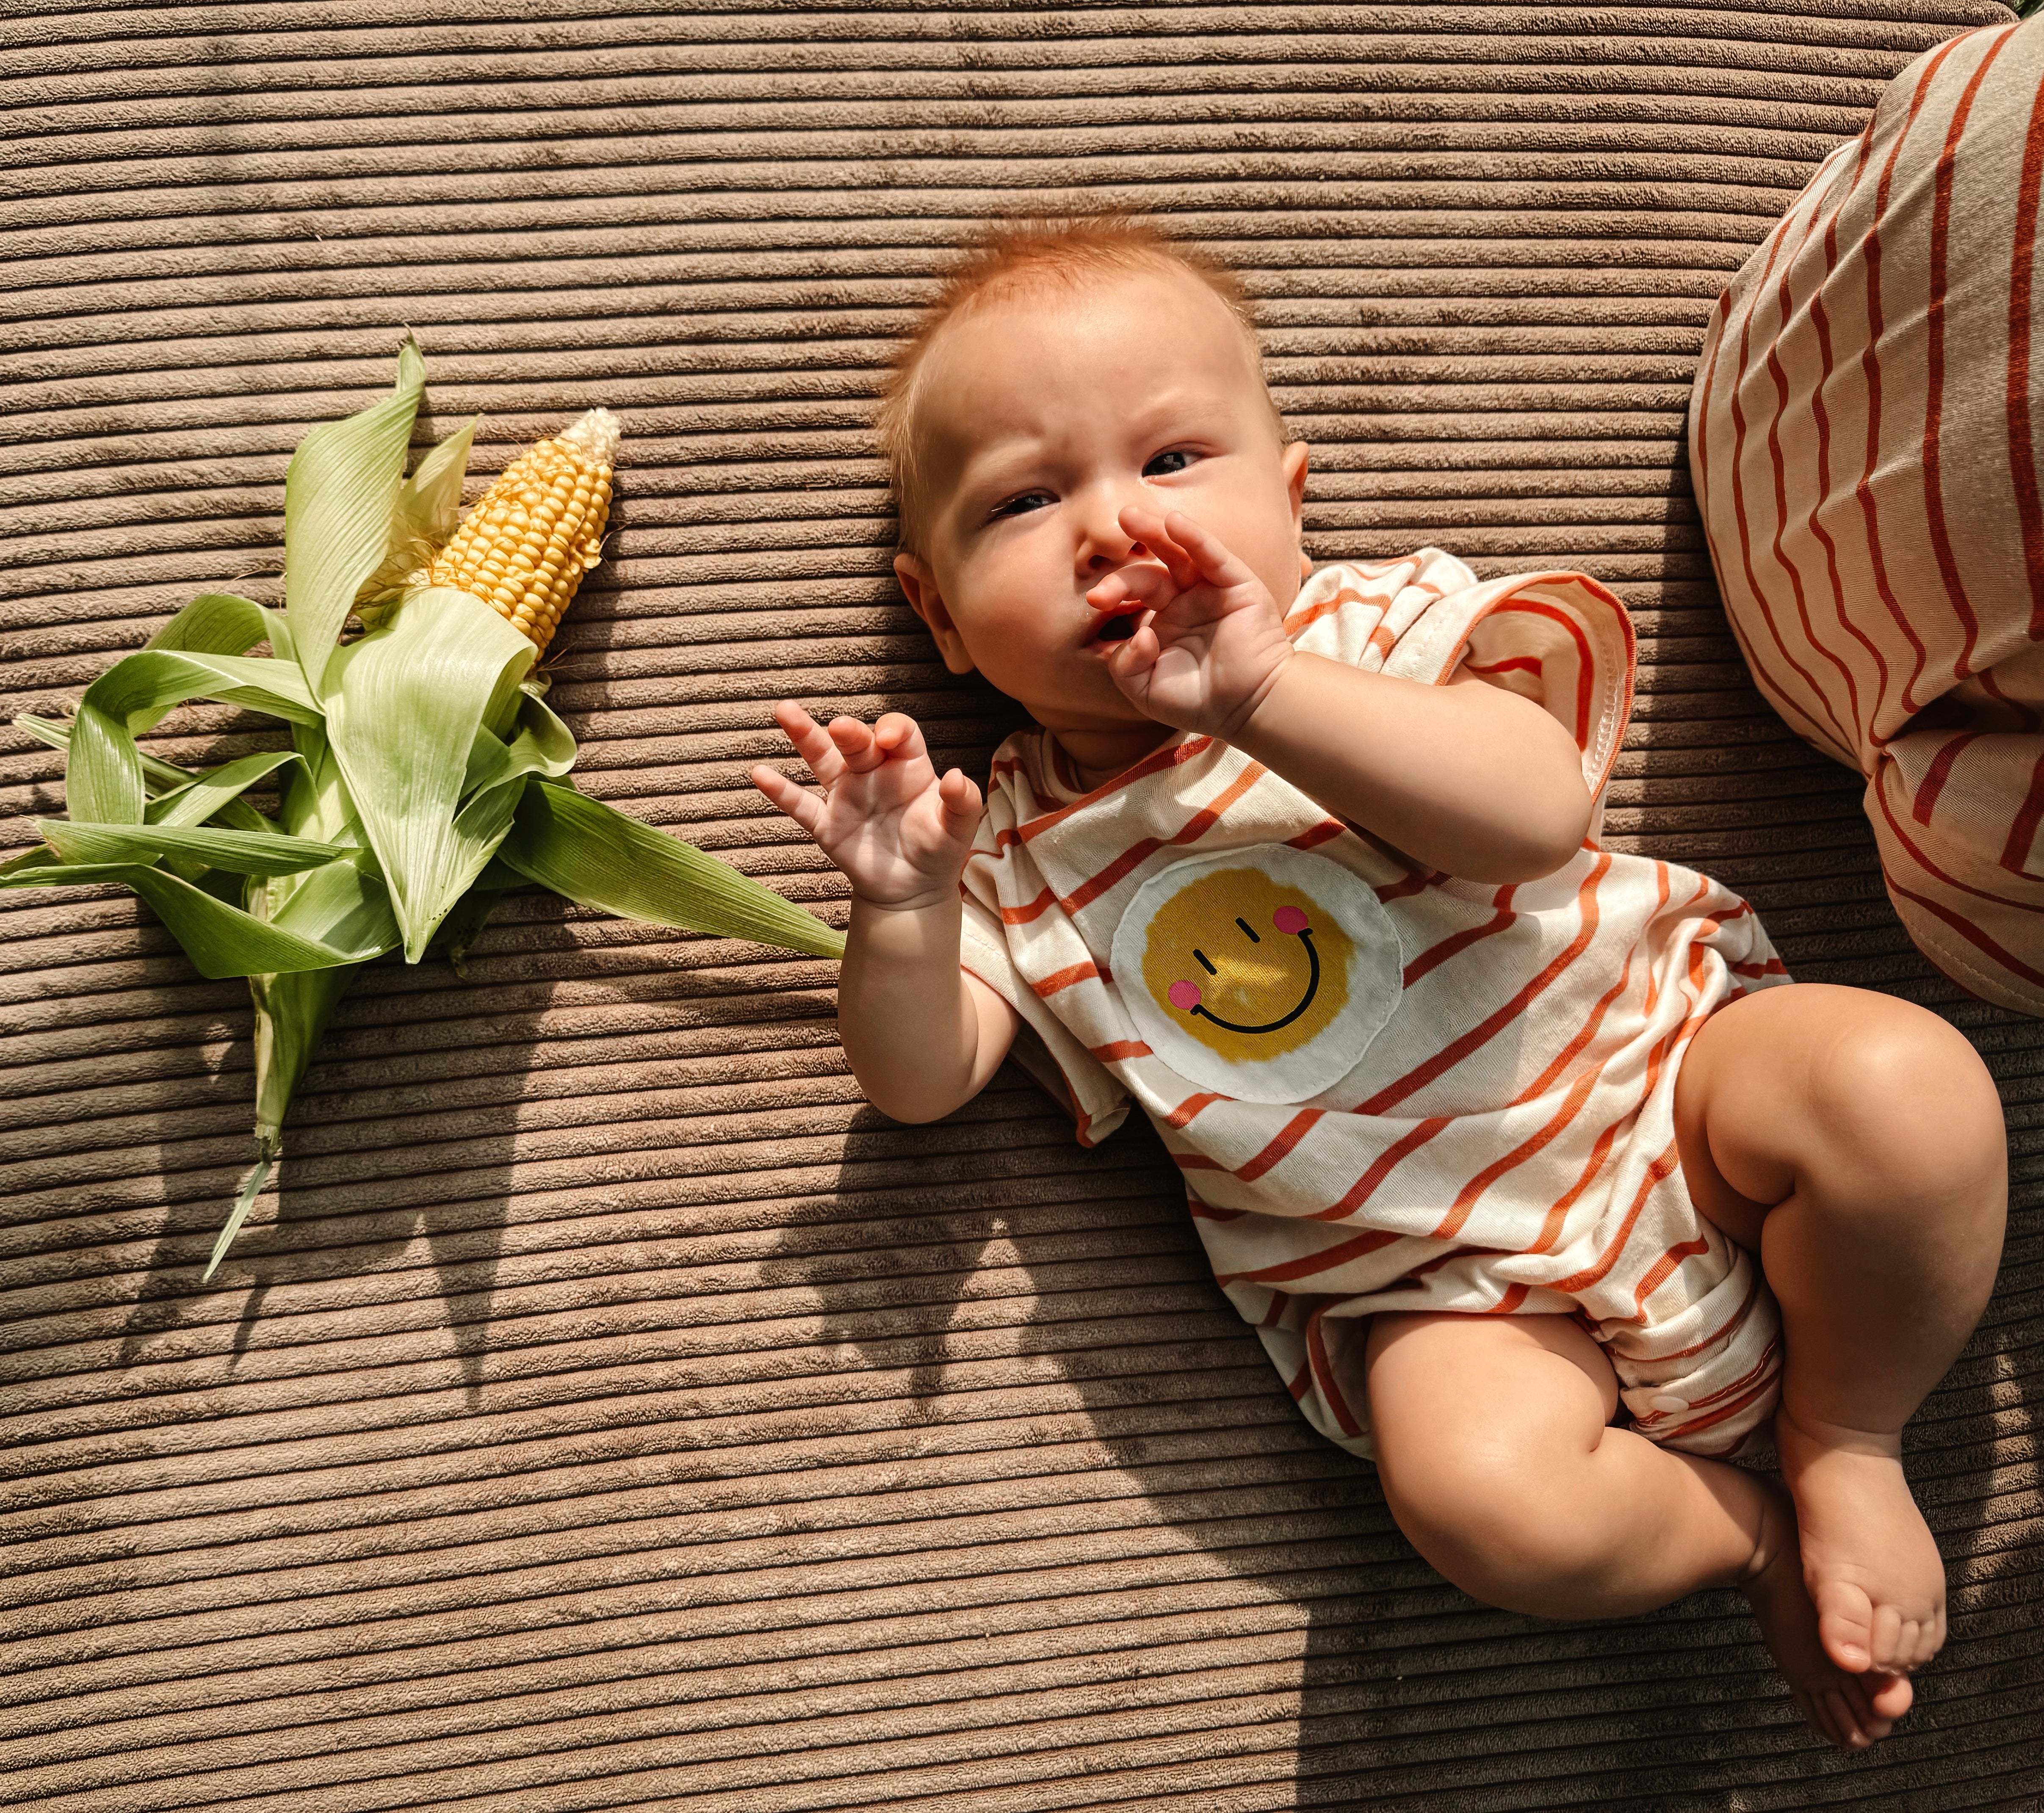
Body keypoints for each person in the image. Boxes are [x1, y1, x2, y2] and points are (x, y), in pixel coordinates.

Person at [750, 217, 2008, 1751]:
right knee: (1482, 1505)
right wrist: (901, 908)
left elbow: (1536, 806)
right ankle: (1740, 1531)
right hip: (1437, 1287)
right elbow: (917, 1077)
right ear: (938, 613)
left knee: (1910, 1092)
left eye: (1168, 462)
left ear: (1289, 498)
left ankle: (1845, 1436)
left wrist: (1269, 691)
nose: (1106, 530)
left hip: (1670, 1088)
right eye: (1021, 499)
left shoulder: (1369, 635)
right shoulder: (1002, 845)